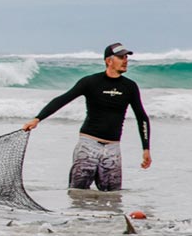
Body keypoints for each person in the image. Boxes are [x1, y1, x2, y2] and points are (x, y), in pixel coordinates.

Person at [22, 42, 151, 191]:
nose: (125, 60)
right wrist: (38, 118)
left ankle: (103, 215)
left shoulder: (130, 87)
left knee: (112, 195)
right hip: (88, 144)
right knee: (78, 192)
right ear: (109, 61)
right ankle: (79, 215)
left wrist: (146, 148)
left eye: (126, 57)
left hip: (113, 147)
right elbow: (63, 99)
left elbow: (142, 117)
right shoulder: (90, 82)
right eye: (121, 57)